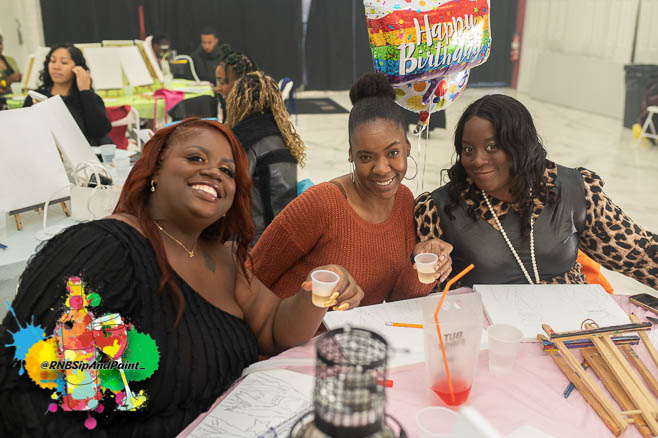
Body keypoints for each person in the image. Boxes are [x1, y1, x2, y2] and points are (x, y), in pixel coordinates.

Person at [0, 118, 363, 435]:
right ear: (155, 170)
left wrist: (317, 292)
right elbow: (28, 396)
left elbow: (274, 329)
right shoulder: (102, 249)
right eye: (195, 158)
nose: (214, 173)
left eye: (228, 171)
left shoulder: (225, 260)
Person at [414, 94, 658, 289]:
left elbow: (638, 255)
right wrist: (429, 262)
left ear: (520, 145)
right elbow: (426, 290)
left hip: (570, 322)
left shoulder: (574, 191)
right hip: (488, 329)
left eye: (492, 147)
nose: (477, 160)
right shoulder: (440, 208)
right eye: (468, 149)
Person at [250, 72, 453, 306]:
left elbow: (397, 298)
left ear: (407, 147)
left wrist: (422, 264)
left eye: (393, 152)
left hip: (360, 330)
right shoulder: (320, 204)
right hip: (288, 328)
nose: (381, 168)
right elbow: (251, 276)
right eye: (366, 157)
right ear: (351, 154)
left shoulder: (404, 200)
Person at [225, 70, 306, 244]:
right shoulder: (282, 138)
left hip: (253, 242)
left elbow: (229, 194)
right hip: (285, 236)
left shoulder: (245, 141)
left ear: (237, 103)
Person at [23, 43, 111, 146]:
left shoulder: (88, 99)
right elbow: (25, 133)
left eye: (64, 62)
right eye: (53, 61)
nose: (56, 67)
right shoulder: (35, 97)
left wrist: (85, 92)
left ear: (77, 68)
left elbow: (100, 132)